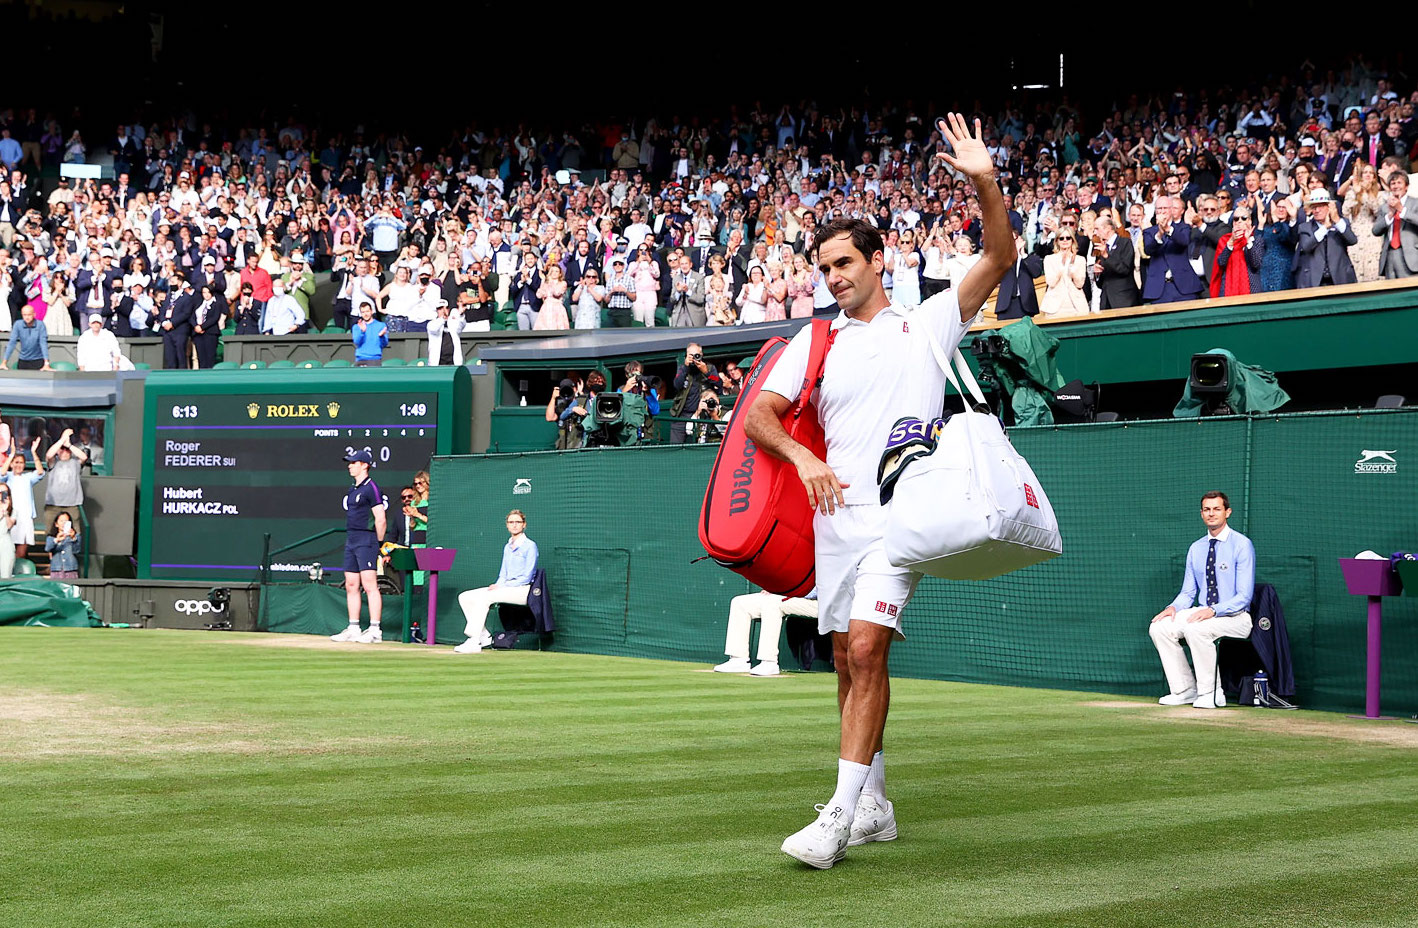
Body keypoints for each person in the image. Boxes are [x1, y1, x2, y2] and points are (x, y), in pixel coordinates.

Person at [746, 114, 1010, 870]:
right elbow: (761, 415)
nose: (833, 277)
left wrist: (983, 179)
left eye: (844, 263)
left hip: (905, 517)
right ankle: (876, 805)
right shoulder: (815, 339)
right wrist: (802, 456)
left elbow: (999, 254)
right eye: (823, 267)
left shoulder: (928, 323)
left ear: (876, 260)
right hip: (837, 522)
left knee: (867, 648)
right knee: (843, 658)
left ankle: (835, 819)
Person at [1148, 491, 1255, 710]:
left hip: (1237, 618)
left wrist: (1214, 611)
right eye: (1207, 509)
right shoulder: (1196, 548)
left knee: (1196, 630)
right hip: (1204, 613)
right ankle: (1185, 690)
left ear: (1228, 512)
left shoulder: (1242, 545)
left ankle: (1211, 694)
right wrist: (1172, 608)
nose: (1211, 514)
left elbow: (1244, 597)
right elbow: (1188, 593)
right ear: (1201, 514)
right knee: (1159, 627)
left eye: (1217, 509)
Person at [454, 510, 538, 654]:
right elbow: (503, 573)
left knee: (485, 597)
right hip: (505, 588)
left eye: (518, 522)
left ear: (524, 525)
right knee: (465, 597)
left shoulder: (530, 546)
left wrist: (502, 587)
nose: (514, 525)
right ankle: (484, 636)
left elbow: (527, 576)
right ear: (507, 525)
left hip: (523, 590)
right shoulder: (507, 547)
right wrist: (498, 585)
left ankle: (474, 640)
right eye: (511, 522)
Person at [329, 450, 387, 644]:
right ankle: (354, 628)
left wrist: (377, 544)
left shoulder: (372, 488)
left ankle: (375, 630)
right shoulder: (353, 489)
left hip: (367, 540)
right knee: (351, 584)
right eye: (350, 462)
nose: (350, 465)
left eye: (354, 462)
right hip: (352, 539)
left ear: (364, 465)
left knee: (370, 585)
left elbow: (380, 519)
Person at [713, 588, 819, 677]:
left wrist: (785, 591)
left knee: (772, 603)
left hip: (822, 603)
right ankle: (738, 660)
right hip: (791, 595)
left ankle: (769, 662)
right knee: (740, 602)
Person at [1294, 189, 1358, 288]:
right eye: (1314, 207)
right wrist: (1325, 228)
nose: (1317, 210)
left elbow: (1352, 240)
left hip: (1340, 279)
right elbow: (1306, 246)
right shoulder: (1305, 227)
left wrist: (1336, 221)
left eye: (1320, 206)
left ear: (1329, 207)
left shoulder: (1342, 223)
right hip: (1315, 281)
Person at [0, 440, 44, 561]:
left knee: (21, 552)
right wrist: (11, 454)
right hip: (9, 517)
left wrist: (34, 452)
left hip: (25, 518)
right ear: (12, 464)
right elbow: (2, 472)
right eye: (16, 462)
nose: (19, 465)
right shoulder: (7, 476)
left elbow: (40, 472)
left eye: (21, 463)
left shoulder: (27, 478)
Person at [670, 343, 719, 444]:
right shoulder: (683, 368)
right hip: (682, 415)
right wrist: (685, 367)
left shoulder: (709, 368)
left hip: (702, 414)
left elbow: (718, 383)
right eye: (691, 355)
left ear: (701, 355)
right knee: (675, 446)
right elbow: (677, 385)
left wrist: (706, 372)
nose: (694, 358)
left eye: (696, 355)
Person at [1374, 171, 1418, 279]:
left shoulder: (1415, 203)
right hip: (1389, 255)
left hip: (1410, 255)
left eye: (1399, 183)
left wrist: (1401, 210)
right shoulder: (1385, 207)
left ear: (1406, 186)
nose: (1396, 186)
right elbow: (1375, 230)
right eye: (1393, 183)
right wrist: (1389, 215)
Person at [1210, 211, 1265, 297]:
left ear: (1249, 221)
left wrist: (1247, 242)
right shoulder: (1225, 240)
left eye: (1243, 218)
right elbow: (1221, 263)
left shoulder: (1256, 240)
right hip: (1228, 289)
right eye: (1236, 219)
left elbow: (1256, 264)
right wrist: (1231, 242)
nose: (1239, 221)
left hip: (1251, 289)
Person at [42, 427, 86, 531]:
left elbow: (84, 457)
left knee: (74, 532)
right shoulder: (54, 462)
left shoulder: (75, 463)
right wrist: (62, 439)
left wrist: (69, 445)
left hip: (72, 504)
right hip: (53, 505)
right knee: (50, 533)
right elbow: (49, 455)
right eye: (62, 449)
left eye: (67, 450)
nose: (64, 451)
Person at [1039, 233, 1089, 317]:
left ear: (1072, 240)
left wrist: (1072, 270)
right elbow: (1051, 282)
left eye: (1068, 238)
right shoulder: (1049, 259)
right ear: (1057, 241)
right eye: (1061, 238)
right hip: (1055, 306)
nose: (1065, 240)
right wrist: (1061, 266)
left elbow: (1080, 284)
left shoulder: (1080, 259)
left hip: (1076, 306)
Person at [1, 304, 49, 370]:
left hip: (38, 360)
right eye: (24, 315)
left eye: (29, 315)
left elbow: (43, 343)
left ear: (34, 314)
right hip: (23, 361)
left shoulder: (40, 325)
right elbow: (11, 343)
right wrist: (4, 362)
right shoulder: (18, 324)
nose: (27, 317)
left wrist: (46, 363)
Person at [426, 299, 465, 365]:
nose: (443, 310)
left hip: (453, 361)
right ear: (437, 311)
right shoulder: (432, 323)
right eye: (440, 308)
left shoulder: (453, 322)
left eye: (445, 308)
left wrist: (460, 314)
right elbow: (433, 329)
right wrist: (443, 318)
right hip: (437, 362)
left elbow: (460, 327)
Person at [44, 511, 81, 579]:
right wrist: (57, 540)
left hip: (71, 568)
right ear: (56, 524)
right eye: (61, 521)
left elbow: (77, 550)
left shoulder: (76, 536)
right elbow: (47, 548)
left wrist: (73, 538)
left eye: (66, 521)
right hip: (56, 569)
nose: (64, 523)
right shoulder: (51, 537)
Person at [352, 303, 389, 367]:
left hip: (375, 359)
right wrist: (362, 332)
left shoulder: (381, 325)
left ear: (371, 311)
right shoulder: (357, 327)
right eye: (363, 312)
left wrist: (381, 336)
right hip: (360, 359)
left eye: (367, 311)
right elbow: (356, 342)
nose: (365, 314)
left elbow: (384, 344)